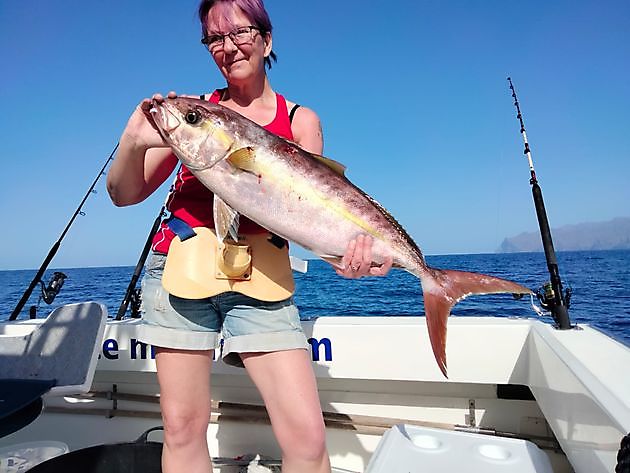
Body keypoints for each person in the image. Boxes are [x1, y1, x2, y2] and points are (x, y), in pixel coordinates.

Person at [107, 1, 392, 472]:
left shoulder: (300, 120)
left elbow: (311, 215)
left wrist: (347, 256)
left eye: (238, 31)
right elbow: (123, 194)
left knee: (306, 436)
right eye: (213, 38)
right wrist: (134, 140)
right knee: (180, 429)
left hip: (263, 276)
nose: (227, 46)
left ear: (266, 39)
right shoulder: (193, 114)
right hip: (180, 268)